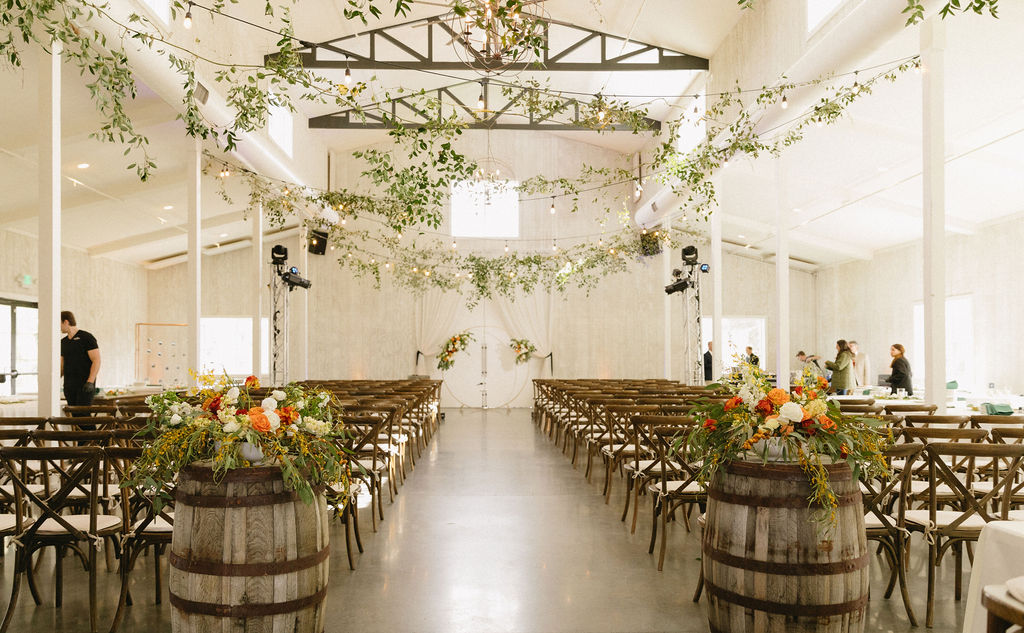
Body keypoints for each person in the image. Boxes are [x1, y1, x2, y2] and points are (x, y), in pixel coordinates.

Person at [60, 311, 100, 408]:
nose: (59, 327)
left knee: (83, 415)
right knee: (74, 415)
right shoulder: (63, 342)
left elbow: (96, 360)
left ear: (66, 322)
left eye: (59, 323)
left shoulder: (86, 337)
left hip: (85, 384)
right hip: (69, 385)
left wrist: (90, 381)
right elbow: (62, 363)